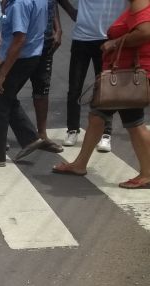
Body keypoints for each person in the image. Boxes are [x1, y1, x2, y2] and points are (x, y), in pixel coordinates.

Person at [52, 0, 150, 187]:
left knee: (134, 123)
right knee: (97, 116)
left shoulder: (140, 2)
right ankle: (80, 164)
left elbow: (145, 32)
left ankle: (147, 174)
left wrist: (115, 42)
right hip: (121, 74)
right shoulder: (131, 5)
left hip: (127, 77)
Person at [0, 0, 48, 166]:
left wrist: (3, 73)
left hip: (20, 59)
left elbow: (20, 39)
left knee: (0, 101)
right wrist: (3, 59)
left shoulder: (20, 4)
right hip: (31, 55)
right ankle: (30, 138)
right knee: (7, 99)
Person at [60, 0, 127, 150]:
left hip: (108, 38)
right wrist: (71, 11)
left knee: (106, 90)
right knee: (75, 88)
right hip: (82, 38)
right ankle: (72, 129)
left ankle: (106, 134)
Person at [28, 0, 67, 152]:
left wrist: (58, 29)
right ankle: (1, 137)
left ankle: (42, 135)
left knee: (42, 90)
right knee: (9, 91)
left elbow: (53, 4)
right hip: (23, 45)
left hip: (46, 43)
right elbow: (4, 8)